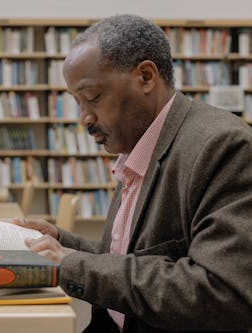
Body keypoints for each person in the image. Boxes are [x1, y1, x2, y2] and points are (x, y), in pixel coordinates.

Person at [13, 14, 252, 333]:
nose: (83, 118)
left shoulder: (221, 146)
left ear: (145, 76)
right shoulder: (138, 144)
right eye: (77, 102)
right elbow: (129, 257)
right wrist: (60, 242)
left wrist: (71, 263)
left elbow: (220, 294)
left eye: (93, 97)